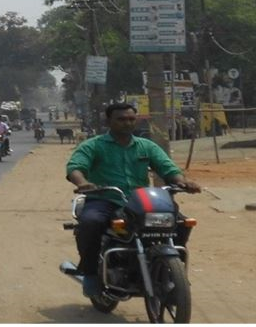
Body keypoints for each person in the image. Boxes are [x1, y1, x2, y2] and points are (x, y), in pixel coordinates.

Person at [65, 103, 201, 297]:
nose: (127, 123)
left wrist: (183, 182)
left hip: (141, 202)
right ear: (109, 121)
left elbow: (167, 168)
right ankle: (90, 273)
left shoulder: (146, 146)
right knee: (90, 223)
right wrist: (83, 182)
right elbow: (76, 167)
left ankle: (171, 271)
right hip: (106, 199)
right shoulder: (94, 145)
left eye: (131, 119)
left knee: (179, 222)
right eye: (121, 119)